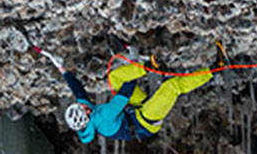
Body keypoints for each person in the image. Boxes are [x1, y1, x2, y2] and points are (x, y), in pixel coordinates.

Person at [42, 43, 224, 143]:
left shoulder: (87, 115)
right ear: (87, 115)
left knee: (114, 78)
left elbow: (78, 91)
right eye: (82, 107)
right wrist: (135, 73)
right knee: (171, 87)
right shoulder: (103, 118)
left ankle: (149, 66)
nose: (82, 104)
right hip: (146, 122)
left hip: (134, 111)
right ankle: (214, 70)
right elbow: (126, 92)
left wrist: (62, 69)